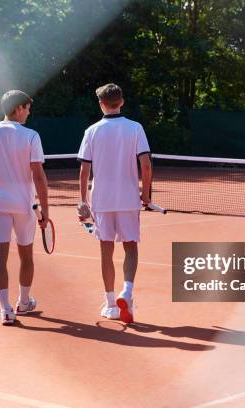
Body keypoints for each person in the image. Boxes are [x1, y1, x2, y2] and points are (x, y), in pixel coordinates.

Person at [77, 83, 152, 324]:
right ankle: (126, 292)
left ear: (101, 103)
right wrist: (146, 195)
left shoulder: (91, 131)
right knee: (130, 247)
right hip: (128, 198)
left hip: (101, 200)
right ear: (122, 102)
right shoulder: (135, 128)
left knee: (105, 250)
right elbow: (146, 164)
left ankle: (111, 304)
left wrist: (82, 201)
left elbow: (84, 170)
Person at [0, 90, 49, 326]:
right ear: (18, 109)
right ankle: (23, 302)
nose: (28, 112)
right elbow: (38, 175)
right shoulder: (31, 136)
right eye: (27, 108)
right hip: (23, 205)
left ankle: (6, 309)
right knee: (26, 255)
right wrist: (45, 209)